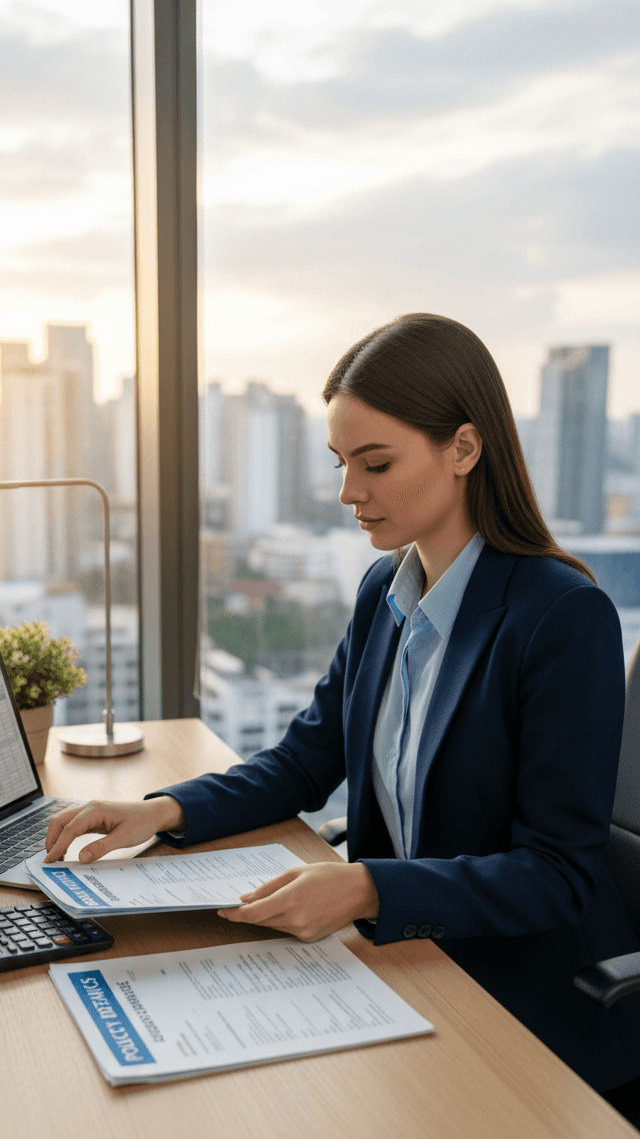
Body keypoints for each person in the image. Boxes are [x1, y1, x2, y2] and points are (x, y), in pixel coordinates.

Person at [45, 312, 640, 1096]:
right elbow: (306, 758)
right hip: (395, 961)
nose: (347, 492)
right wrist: (160, 812)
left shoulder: (561, 617)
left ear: (464, 448)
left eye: (376, 463)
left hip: (514, 994)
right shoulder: (384, 590)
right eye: (340, 463)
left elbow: (558, 874)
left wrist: (368, 887)